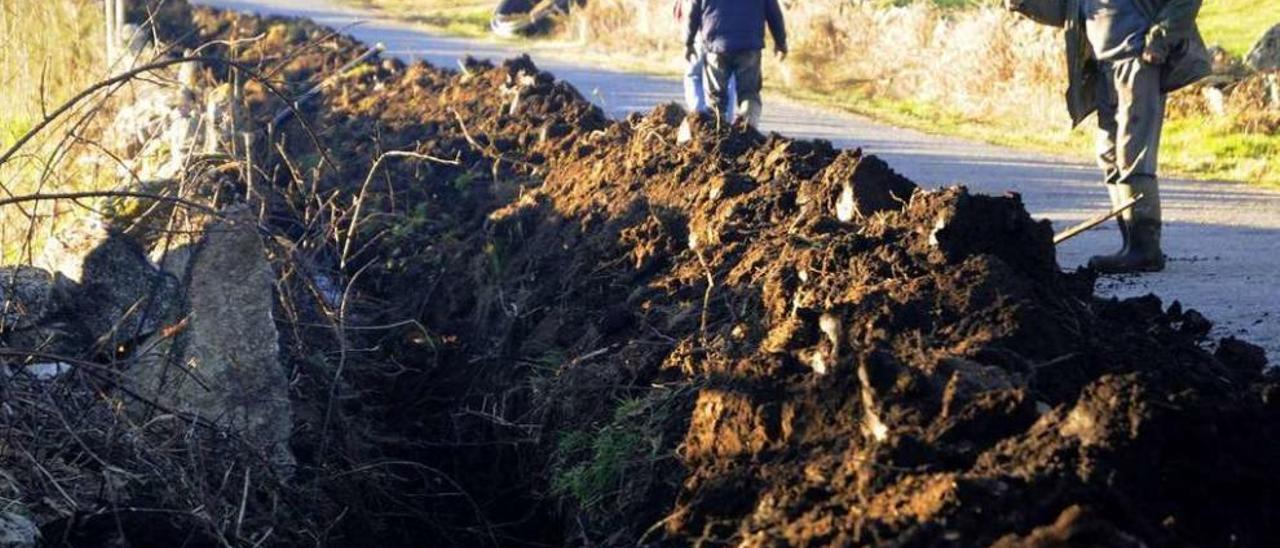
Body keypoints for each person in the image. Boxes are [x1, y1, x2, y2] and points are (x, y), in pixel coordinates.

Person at [1006, 0, 1210, 273]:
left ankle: (1145, 249)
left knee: (1132, 151)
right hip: (1102, 67)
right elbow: (1068, 13)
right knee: (1110, 156)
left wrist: (1160, 40)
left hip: (1136, 61)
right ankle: (1129, 245)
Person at [684, 0, 788, 128]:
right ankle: (747, 129)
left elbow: (693, 12)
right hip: (749, 45)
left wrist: (688, 42)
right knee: (749, 93)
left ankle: (715, 135)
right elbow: (774, 13)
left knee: (715, 97)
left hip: (716, 45)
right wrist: (781, 42)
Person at [674, 0, 735, 118]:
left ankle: (699, 117)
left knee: (694, 75)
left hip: (699, 31)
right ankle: (724, 120)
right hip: (727, 33)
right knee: (727, 78)